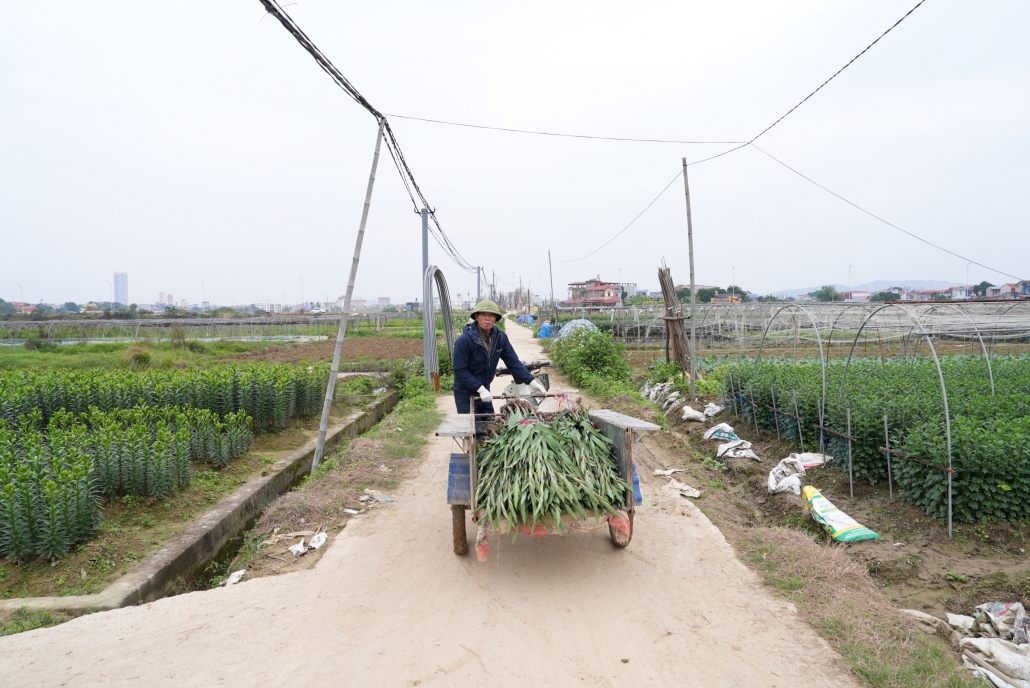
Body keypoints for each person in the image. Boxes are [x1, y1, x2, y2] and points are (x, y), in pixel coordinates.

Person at [452, 300, 546, 415]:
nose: (487, 318)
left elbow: (513, 362)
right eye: (483, 314)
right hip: (466, 393)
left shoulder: (500, 337)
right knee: (472, 429)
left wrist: (532, 382)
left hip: (486, 390)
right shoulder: (464, 340)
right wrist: (479, 389)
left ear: (496, 318)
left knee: (490, 426)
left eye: (491, 315)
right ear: (476, 317)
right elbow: (460, 370)